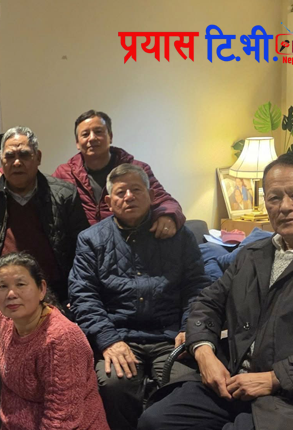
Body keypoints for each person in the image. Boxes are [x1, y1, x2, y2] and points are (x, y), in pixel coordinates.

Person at [139, 152, 293, 430]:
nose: (285, 207)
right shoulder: (252, 254)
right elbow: (207, 303)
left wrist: (274, 378)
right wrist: (204, 353)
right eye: (274, 198)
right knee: (155, 421)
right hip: (231, 382)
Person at [69, 163, 209, 430]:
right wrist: (108, 340)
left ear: (152, 195)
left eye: (136, 190)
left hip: (170, 336)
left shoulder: (179, 235)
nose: (129, 197)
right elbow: (82, 295)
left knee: (185, 384)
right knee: (113, 384)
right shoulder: (91, 239)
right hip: (119, 335)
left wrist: (189, 327)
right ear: (109, 202)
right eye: (121, 192)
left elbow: (197, 287)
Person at [0, 252, 109, 430]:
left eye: (21, 284)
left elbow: (60, 421)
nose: (11, 294)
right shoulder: (9, 317)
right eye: (3, 286)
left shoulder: (60, 339)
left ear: (41, 289)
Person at [0, 110, 184, 238]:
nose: (92, 138)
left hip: (130, 242)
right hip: (87, 252)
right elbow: (36, 181)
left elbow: (165, 200)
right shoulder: (65, 173)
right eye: (85, 134)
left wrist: (168, 216)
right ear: (77, 143)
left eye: (99, 132)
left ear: (110, 136)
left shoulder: (136, 169)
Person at [0, 126, 89, 311]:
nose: (17, 162)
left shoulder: (64, 195)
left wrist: (78, 294)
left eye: (24, 155)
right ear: (1, 160)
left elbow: (82, 251)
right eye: (10, 156)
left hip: (54, 298)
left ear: (38, 157)